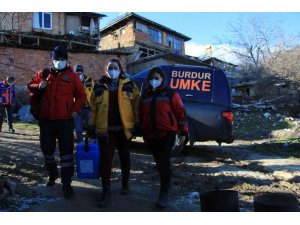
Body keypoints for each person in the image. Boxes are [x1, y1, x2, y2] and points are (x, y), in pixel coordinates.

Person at [27, 45, 86, 199]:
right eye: (57, 59)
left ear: (66, 60)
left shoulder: (72, 76)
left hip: (65, 121)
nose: (60, 62)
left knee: (66, 153)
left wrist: (75, 110)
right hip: (46, 120)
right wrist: (39, 86)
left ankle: (67, 184)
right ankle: (53, 175)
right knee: (47, 150)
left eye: (62, 59)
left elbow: (81, 96)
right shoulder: (44, 74)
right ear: (52, 60)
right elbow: (30, 87)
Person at [88, 58, 140, 208]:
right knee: (106, 162)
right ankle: (106, 191)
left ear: (120, 69)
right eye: (110, 67)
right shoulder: (98, 86)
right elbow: (93, 109)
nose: (113, 70)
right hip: (105, 131)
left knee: (125, 158)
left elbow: (136, 104)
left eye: (115, 67)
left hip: (124, 131)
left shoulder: (129, 85)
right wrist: (91, 125)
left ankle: (125, 185)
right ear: (106, 70)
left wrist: (137, 123)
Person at [140, 67, 189, 208]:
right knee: (159, 163)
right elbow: (141, 114)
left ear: (162, 79)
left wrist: (183, 130)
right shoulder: (146, 95)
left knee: (163, 161)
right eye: (151, 78)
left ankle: (164, 192)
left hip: (167, 133)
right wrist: (142, 129)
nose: (154, 80)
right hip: (150, 134)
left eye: (157, 78)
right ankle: (166, 183)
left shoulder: (171, 94)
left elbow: (181, 113)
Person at [73, 64, 94, 143]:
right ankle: (81, 145)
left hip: (88, 108)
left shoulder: (89, 80)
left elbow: (94, 93)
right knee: (78, 129)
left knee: (91, 127)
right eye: (77, 72)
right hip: (77, 109)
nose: (79, 74)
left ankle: (91, 144)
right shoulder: (72, 81)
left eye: (80, 72)